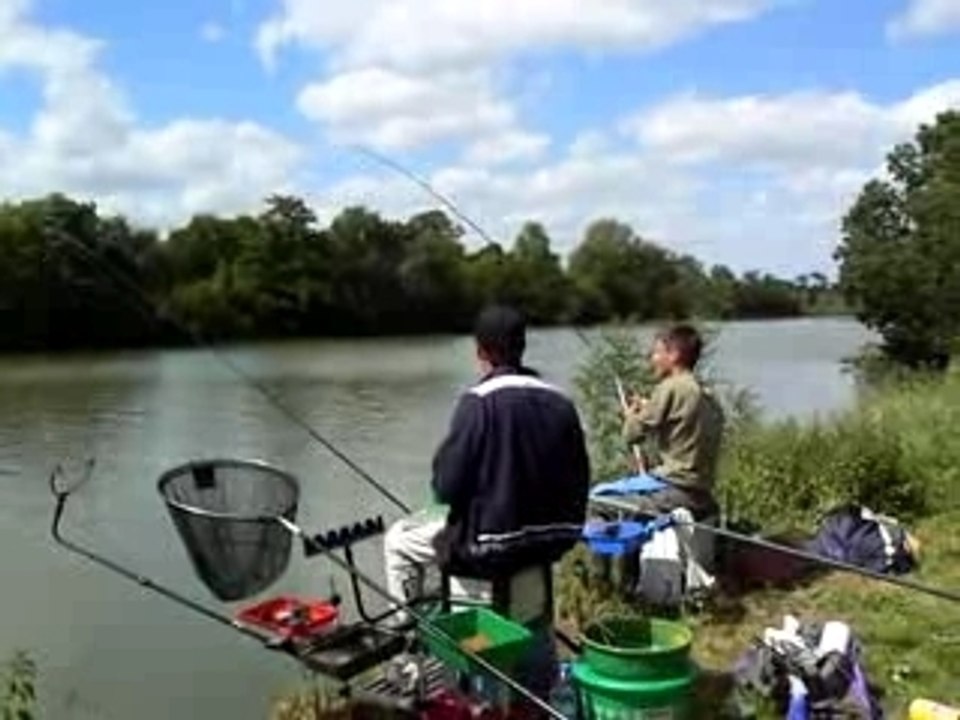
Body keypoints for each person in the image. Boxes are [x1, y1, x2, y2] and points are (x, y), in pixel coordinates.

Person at [382, 304, 591, 701]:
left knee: (397, 540)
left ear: (481, 351)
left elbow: (446, 485)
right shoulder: (560, 400)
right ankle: (537, 685)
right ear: (522, 347)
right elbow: (580, 475)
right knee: (531, 614)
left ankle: (407, 648)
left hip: (490, 548)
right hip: (550, 543)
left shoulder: (478, 401)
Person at [617, 324, 725, 519]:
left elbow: (631, 435)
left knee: (598, 504)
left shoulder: (670, 387)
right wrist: (648, 406)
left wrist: (631, 414)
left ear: (673, 355)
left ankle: (617, 550)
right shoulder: (707, 395)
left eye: (657, 353)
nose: (652, 359)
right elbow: (684, 420)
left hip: (677, 492)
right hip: (703, 493)